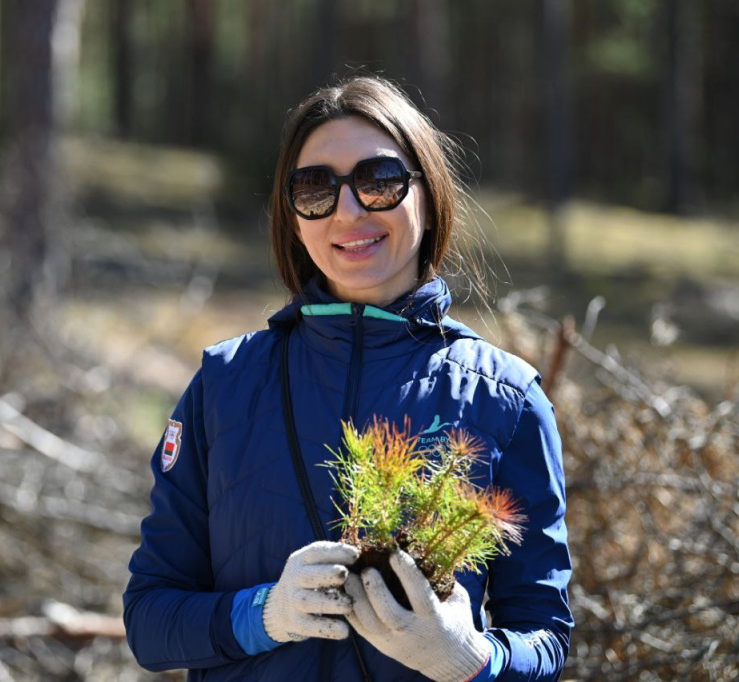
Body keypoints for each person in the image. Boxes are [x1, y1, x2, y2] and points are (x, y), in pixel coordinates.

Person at [124, 75, 572, 681]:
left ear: (428, 192)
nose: (349, 211)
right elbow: (151, 623)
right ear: (293, 215)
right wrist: (263, 615)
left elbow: (545, 638)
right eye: (314, 189)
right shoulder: (224, 386)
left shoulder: (506, 400)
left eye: (379, 181)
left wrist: (470, 658)